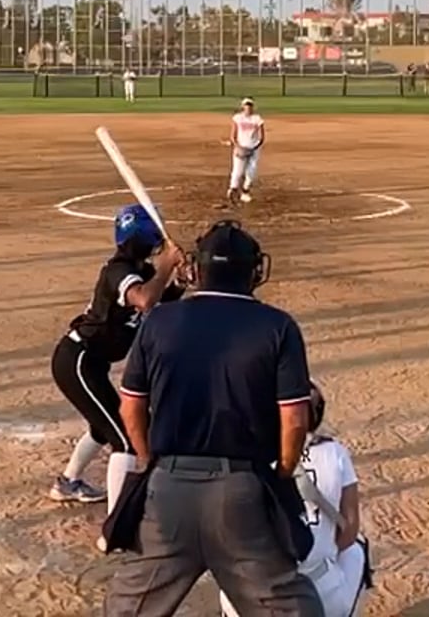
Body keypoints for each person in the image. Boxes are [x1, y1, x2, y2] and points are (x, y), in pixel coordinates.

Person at [103, 220, 323, 617]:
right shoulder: (277, 326)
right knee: (289, 608)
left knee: (130, 609)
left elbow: (130, 407)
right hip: (241, 491)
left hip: (167, 489)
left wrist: (149, 460)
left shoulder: (160, 320)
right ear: (254, 271)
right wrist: (283, 472)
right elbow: (294, 419)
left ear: (197, 270)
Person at [51, 204, 187, 508]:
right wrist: (166, 266)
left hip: (92, 362)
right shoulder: (119, 270)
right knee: (125, 439)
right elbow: (144, 299)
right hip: (78, 360)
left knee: (103, 427)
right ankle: (118, 519)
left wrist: (179, 281)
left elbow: (159, 301)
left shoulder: (141, 271)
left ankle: (68, 482)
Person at [219, 382, 372, 617]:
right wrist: (323, 552)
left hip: (257, 594)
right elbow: (349, 529)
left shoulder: (246, 454)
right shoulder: (336, 452)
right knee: (356, 550)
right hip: (320, 592)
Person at [225, 98, 266, 205]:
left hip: (254, 149)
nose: (248, 107)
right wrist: (238, 147)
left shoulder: (257, 119)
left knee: (251, 171)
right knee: (237, 171)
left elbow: (262, 137)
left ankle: (245, 191)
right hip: (240, 148)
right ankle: (233, 189)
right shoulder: (237, 118)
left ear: (253, 107)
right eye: (246, 105)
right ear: (242, 106)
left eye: (250, 105)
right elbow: (233, 135)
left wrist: (255, 147)